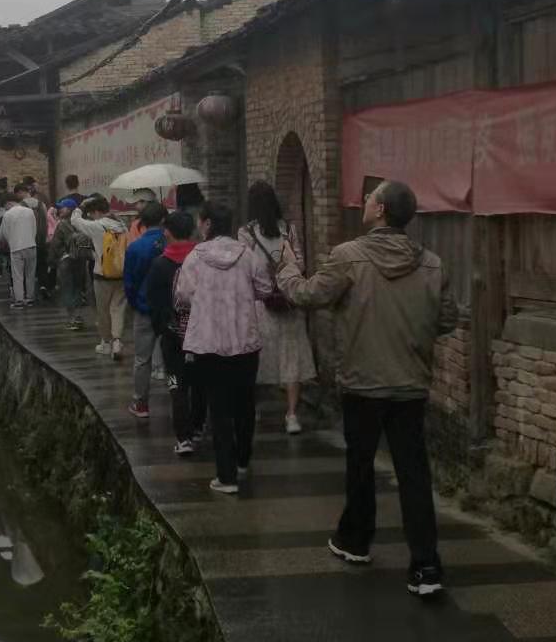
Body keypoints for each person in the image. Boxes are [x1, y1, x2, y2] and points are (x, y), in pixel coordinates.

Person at [276, 179, 457, 599]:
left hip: (362, 382)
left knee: (360, 465)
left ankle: (356, 541)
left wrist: (286, 269)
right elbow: (446, 319)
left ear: (380, 211)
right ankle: (426, 565)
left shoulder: (348, 257)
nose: (366, 201)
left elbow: (307, 295)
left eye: (371, 197)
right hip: (411, 384)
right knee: (414, 474)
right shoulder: (432, 264)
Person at [176, 201, 272, 494]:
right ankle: (242, 460)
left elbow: (183, 295)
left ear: (207, 224)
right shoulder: (248, 255)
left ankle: (226, 476)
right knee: (245, 403)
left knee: (218, 408)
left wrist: (207, 298)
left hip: (208, 342)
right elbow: (265, 289)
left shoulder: (195, 257)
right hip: (244, 341)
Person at [240, 180, 317, 435]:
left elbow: (244, 268)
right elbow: (300, 264)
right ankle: (292, 415)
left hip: (259, 304)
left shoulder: (246, 233)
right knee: (291, 357)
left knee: (256, 357)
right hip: (288, 301)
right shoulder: (288, 230)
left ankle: (253, 409)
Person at [147, 209, 207, 456]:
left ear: (168, 233)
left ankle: (183, 437)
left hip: (172, 336)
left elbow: (154, 303)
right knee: (200, 382)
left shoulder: (160, 264)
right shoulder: (202, 260)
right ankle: (198, 426)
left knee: (177, 385)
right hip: (202, 332)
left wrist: (160, 330)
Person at [123, 200, 167, 419]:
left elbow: (129, 283)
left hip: (144, 308)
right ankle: (179, 397)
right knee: (175, 358)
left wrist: (135, 303)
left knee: (142, 359)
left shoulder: (135, 248)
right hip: (170, 310)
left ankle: (141, 402)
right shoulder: (171, 245)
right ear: (163, 220)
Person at [72, 195, 129, 360]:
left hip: (102, 275)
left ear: (96, 211)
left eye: (91, 213)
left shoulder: (97, 226)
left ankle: (106, 343)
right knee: (117, 309)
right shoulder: (122, 225)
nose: (91, 216)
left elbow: (75, 220)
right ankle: (117, 341)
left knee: (103, 311)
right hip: (121, 274)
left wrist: (81, 206)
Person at [0, 190, 39, 308]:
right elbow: (34, 228)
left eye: (5, 206)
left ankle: (19, 300)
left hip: (16, 248)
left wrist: (7, 242)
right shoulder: (29, 211)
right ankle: (30, 298)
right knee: (30, 274)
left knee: (17, 275)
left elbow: (4, 233)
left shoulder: (8, 215)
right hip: (31, 245)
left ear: (8, 203)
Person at [49, 201, 86, 331]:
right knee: (78, 288)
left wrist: (53, 261)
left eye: (62, 207)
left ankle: (72, 318)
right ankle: (78, 316)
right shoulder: (82, 223)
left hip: (66, 261)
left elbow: (55, 245)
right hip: (80, 259)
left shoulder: (62, 225)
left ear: (69, 209)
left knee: (67, 289)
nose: (60, 209)